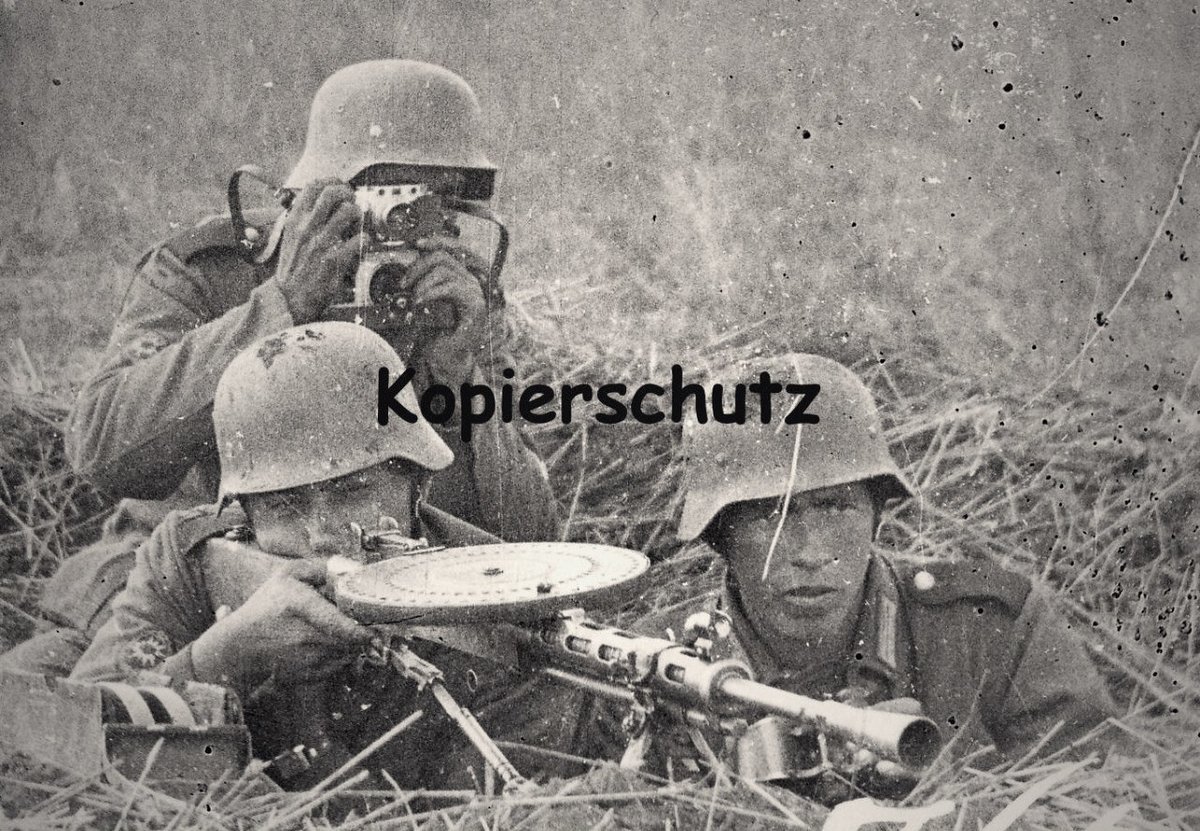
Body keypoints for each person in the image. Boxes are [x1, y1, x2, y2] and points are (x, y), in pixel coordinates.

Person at [3, 60, 557, 677]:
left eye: (435, 208)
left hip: (377, 597)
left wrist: (459, 381)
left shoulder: (452, 296)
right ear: (314, 195)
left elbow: (528, 538)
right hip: (179, 585)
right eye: (386, 199)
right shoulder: (215, 272)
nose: (407, 227)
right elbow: (102, 446)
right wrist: (279, 307)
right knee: (48, 693)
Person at [70, 322, 576, 790]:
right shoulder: (192, 555)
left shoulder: (501, 611)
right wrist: (224, 659)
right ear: (244, 509)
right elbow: (73, 734)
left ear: (417, 483)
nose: (321, 535)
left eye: (352, 492)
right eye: (283, 504)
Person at [657, 353, 1116, 781]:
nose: (810, 552)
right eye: (767, 515)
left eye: (836, 507)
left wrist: (946, 788)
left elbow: (1103, 793)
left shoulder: (989, 628)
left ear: (877, 513)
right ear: (720, 536)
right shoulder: (652, 667)